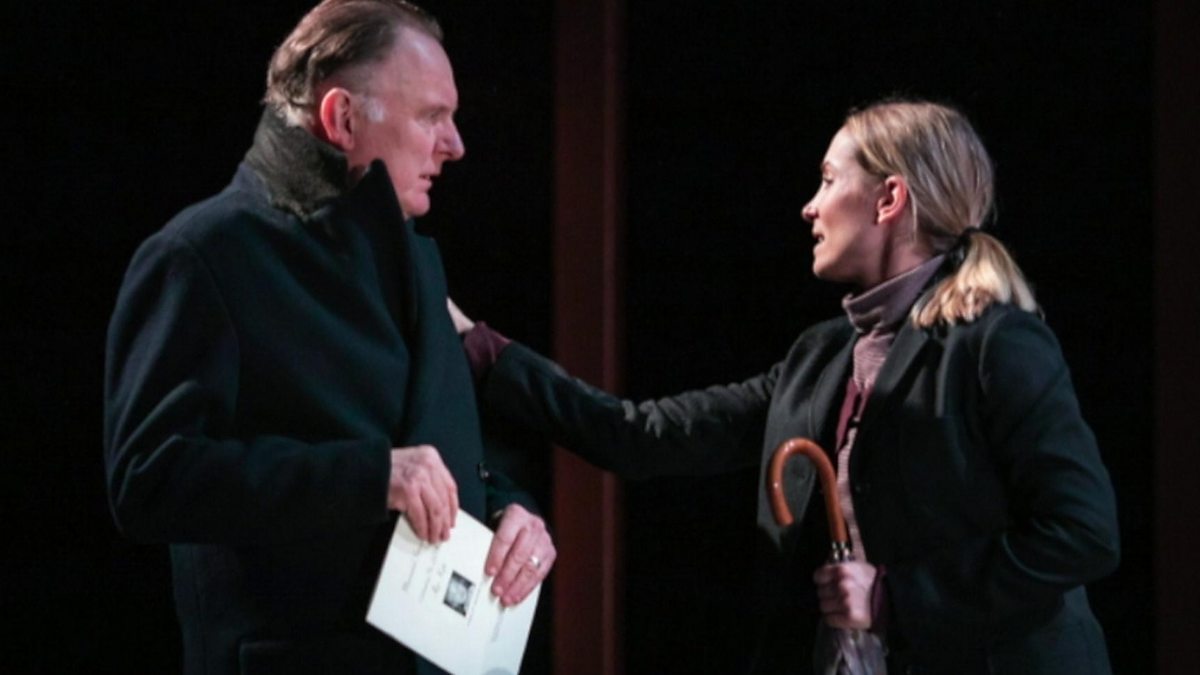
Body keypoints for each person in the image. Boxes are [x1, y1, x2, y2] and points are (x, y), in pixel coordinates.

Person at [452, 99, 1119, 673]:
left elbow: (1083, 532)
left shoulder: (996, 344)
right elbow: (642, 436)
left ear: (889, 200)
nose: (809, 206)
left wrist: (892, 597)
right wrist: (478, 347)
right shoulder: (821, 358)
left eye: (828, 180)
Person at [103, 2, 554, 674]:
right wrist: (371, 476)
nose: (455, 145)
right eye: (431, 116)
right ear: (343, 118)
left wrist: (510, 511)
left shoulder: (412, 262)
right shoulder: (203, 255)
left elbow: (438, 449)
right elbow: (150, 478)